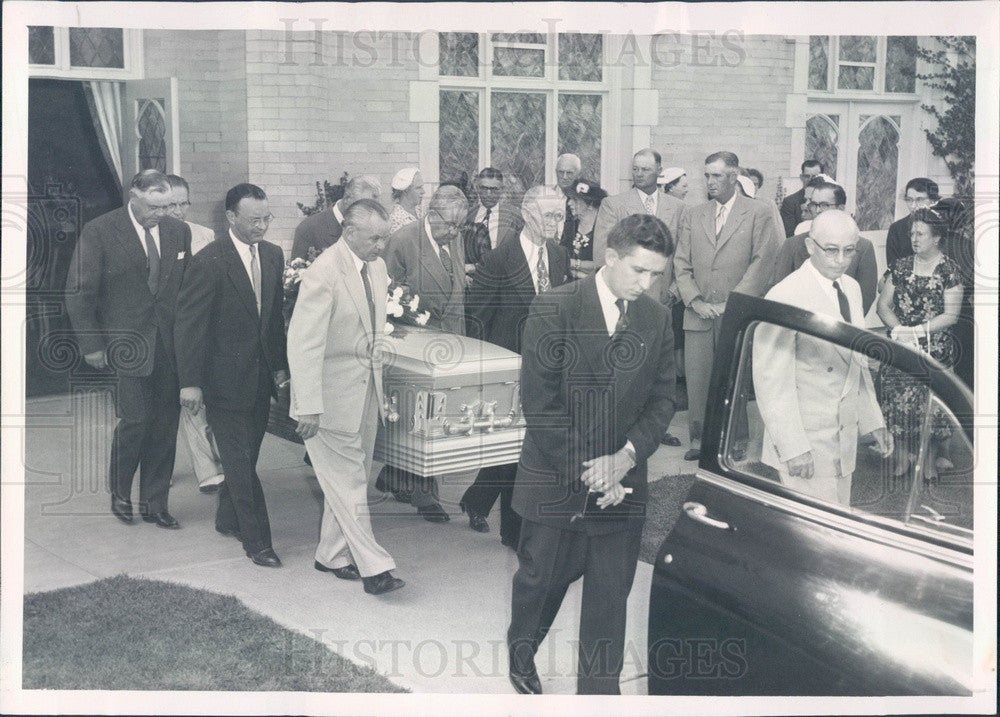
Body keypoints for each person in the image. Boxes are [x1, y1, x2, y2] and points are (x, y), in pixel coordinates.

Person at [507, 214, 676, 696]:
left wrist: (625, 456)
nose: (646, 284)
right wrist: (595, 472)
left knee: (609, 594)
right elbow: (540, 404)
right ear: (610, 257)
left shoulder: (656, 318)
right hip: (557, 473)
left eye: (655, 275)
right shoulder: (553, 308)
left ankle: (599, 696)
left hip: (623, 477)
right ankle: (521, 650)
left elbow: (663, 399)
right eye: (638, 271)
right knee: (541, 581)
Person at [287, 199, 404, 595]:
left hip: (365, 394)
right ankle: (375, 566)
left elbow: (375, 335)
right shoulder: (323, 273)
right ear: (349, 232)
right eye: (374, 238)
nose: (381, 246)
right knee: (351, 482)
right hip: (329, 400)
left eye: (384, 238)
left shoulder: (377, 267)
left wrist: (382, 393)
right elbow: (302, 345)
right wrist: (307, 405)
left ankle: (331, 555)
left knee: (348, 481)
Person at [65, 169, 191, 528]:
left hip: (169, 346)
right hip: (124, 345)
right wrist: (91, 344)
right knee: (135, 421)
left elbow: (184, 288)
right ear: (133, 197)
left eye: (167, 206)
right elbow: (79, 291)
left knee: (165, 426)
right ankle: (119, 493)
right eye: (154, 207)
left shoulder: (178, 232)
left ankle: (155, 503)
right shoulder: (100, 231)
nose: (162, 214)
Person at [175, 184, 288, 568]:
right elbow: (189, 326)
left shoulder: (273, 256)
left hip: (259, 381)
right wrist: (190, 381)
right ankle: (258, 542)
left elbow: (273, 323)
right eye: (254, 220)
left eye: (266, 218)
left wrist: (281, 370)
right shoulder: (208, 261)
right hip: (221, 383)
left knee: (245, 459)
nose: (262, 227)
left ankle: (227, 518)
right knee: (240, 466)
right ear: (231, 218)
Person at [753, 210, 893, 506]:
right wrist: (793, 447)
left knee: (838, 523)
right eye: (831, 250)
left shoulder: (851, 288)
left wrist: (873, 422)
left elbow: (856, 362)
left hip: (842, 435)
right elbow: (771, 381)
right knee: (812, 535)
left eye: (849, 251)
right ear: (809, 246)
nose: (840, 259)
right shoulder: (785, 294)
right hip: (805, 440)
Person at [461, 187, 572, 546]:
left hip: (550, 367)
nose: (557, 223)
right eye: (550, 215)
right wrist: (489, 374)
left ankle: (478, 499)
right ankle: (513, 530)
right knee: (515, 446)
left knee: (527, 444)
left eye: (561, 216)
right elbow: (477, 319)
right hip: (509, 369)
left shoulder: (559, 255)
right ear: (527, 213)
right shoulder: (497, 260)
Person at [674, 151, 782, 462]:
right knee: (697, 378)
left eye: (716, 176)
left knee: (733, 377)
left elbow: (764, 263)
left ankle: (736, 438)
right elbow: (681, 263)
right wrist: (694, 299)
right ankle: (700, 438)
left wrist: (729, 304)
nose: (709, 181)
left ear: (734, 177)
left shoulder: (759, 213)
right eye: (707, 175)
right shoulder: (694, 214)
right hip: (697, 313)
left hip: (734, 313)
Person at [380, 185, 469, 522]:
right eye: (449, 225)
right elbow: (386, 291)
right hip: (416, 346)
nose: (455, 233)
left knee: (435, 420)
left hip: (449, 342)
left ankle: (394, 476)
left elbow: (456, 289)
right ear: (431, 215)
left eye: (459, 227)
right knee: (421, 421)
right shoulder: (403, 240)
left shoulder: (453, 237)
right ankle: (424, 494)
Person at [876, 207, 964, 481]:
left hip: (934, 347)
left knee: (930, 405)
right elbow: (883, 306)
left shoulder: (949, 270)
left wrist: (917, 331)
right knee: (896, 402)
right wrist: (900, 330)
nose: (914, 238)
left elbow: (951, 315)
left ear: (936, 237)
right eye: (912, 233)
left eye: (921, 233)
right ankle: (902, 455)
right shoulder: (900, 267)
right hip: (903, 344)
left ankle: (927, 459)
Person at [164, 174, 225, 494]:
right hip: (164, 330)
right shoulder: (151, 237)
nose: (177, 210)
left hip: (198, 328)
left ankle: (206, 469)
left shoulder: (204, 235)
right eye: (170, 203)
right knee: (165, 406)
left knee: (195, 398)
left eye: (182, 203)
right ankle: (158, 466)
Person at [771, 180, 879, 314]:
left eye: (824, 205)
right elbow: (781, 295)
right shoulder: (792, 245)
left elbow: (864, 299)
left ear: (840, 208)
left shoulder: (863, 247)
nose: (817, 210)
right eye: (814, 204)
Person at [290, 175, 381, 261]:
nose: (368, 212)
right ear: (347, 198)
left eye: (372, 208)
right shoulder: (309, 229)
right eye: (362, 205)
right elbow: (296, 273)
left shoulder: (370, 230)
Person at [463, 167, 523, 267]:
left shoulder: (515, 216)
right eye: (484, 188)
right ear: (477, 188)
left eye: (494, 189)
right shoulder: (467, 216)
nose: (488, 194)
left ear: (502, 189)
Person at [885, 178, 940, 268]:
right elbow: (892, 266)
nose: (913, 205)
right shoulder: (896, 229)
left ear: (933, 201)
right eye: (909, 200)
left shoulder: (943, 227)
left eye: (919, 200)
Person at [562, 179, 607, 279]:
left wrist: (573, 263)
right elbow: (559, 259)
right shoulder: (569, 226)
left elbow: (603, 265)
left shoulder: (606, 229)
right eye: (569, 199)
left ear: (590, 204)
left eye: (575, 200)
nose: (569, 203)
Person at [780, 159, 823, 237]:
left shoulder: (830, 201)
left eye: (815, 176)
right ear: (801, 177)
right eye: (807, 176)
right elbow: (790, 235)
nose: (811, 179)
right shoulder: (790, 202)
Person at [555, 153, 582, 248]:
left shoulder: (584, 201)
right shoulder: (547, 197)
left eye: (569, 173)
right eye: (561, 172)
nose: (564, 177)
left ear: (578, 175)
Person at [388, 167, 425, 234]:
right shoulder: (396, 220)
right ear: (406, 190)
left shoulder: (419, 211)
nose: (423, 191)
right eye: (418, 188)